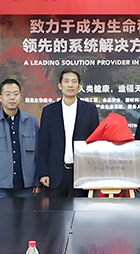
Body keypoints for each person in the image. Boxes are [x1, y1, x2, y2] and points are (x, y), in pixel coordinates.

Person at [38, 70, 99, 198]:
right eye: (66, 81)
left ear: (79, 86)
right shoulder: (49, 111)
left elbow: (95, 142)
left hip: (82, 174)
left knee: (81, 210)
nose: (70, 85)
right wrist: (43, 172)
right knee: (54, 210)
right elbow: (43, 144)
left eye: (74, 81)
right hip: (55, 174)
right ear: (60, 86)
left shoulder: (89, 109)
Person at [0, 78, 40, 198]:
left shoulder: (31, 121)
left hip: (26, 187)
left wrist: (37, 180)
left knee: (28, 211)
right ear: (0, 98)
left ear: (20, 97)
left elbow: (38, 154)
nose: (12, 98)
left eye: (15, 94)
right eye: (8, 94)